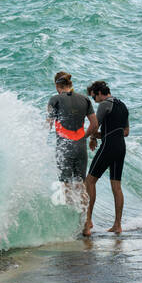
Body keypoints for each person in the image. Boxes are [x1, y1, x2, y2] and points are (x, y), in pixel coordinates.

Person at [82, 80, 129, 236]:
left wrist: (85, 137)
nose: (94, 101)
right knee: (116, 186)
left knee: (90, 181)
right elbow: (125, 132)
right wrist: (98, 136)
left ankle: (88, 221)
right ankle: (117, 225)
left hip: (109, 146)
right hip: (121, 146)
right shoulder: (122, 105)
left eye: (94, 97)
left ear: (99, 93)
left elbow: (95, 125)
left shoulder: (104, 104)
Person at [46, 71, 95, 209]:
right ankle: (86, 224)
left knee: (66, 186)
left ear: (57, 85)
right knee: (81, 185)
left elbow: (47, 124)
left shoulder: (54, 100)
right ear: (70, 84)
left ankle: (70, 223)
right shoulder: (85, 99)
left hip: (64, 147)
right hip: (80, 147)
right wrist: (86, 138)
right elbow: (94, 124)